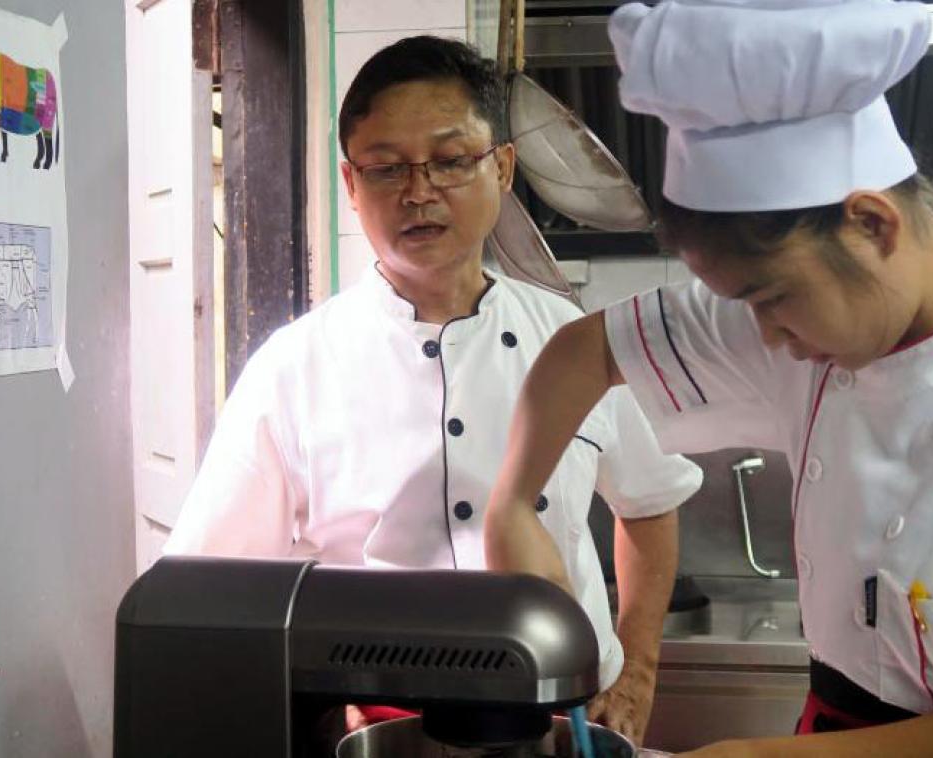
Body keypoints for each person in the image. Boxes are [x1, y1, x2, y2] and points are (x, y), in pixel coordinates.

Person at [484, 1, 933, 755]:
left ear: (873, 225)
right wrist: (511, 507)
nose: (765, 339)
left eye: (773, 301)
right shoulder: (814, 305)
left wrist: (755, 755)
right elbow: (579, 353)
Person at [163, 35, 704, 744]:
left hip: (561, 719)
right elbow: (209, 585)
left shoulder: (570, 342)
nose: (419, 192)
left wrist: (638, 670)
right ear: (351, 186)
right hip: (384, 729)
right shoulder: (293, 368)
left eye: (451, 161)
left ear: (503, 167)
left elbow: (652, 504)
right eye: (386, 169)